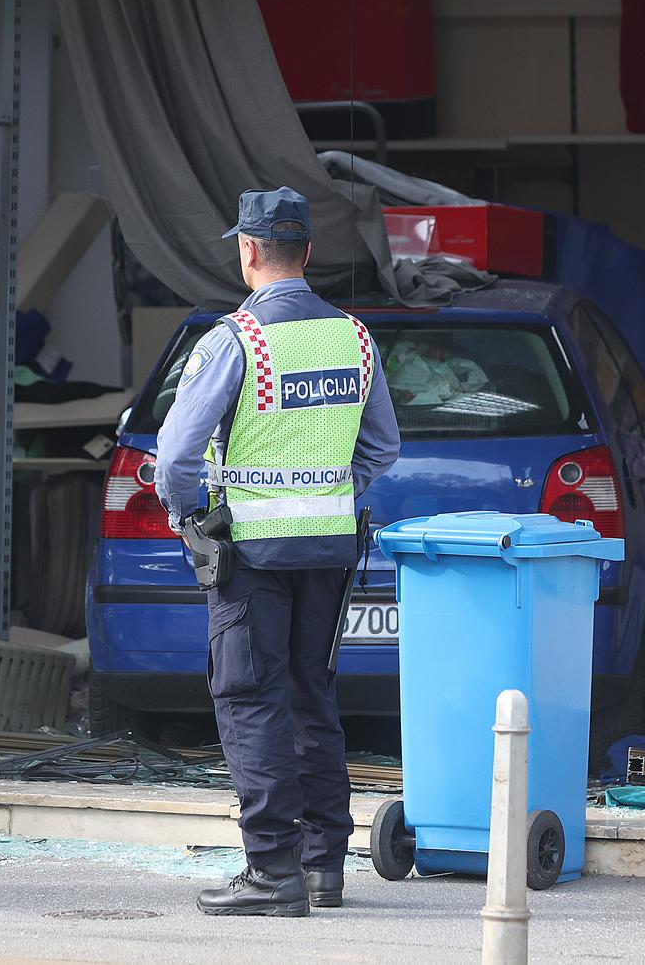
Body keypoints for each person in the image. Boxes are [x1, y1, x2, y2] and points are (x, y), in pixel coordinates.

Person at [155, 187, 401, 917]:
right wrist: (328, 489)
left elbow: (173, 455)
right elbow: (383, 447)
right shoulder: (353, 338)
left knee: (250, 701)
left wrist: (188, 515)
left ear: (249, 250)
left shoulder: (235, 339)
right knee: (311, 697)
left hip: (252, 558)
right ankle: (323, 865)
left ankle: (272, 869)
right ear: (309, 253)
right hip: (328, 552)